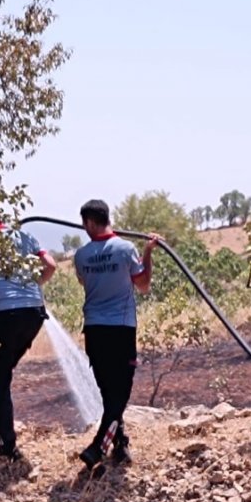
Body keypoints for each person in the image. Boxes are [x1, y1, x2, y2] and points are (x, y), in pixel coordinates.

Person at [73, 199, 159, 468]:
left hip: (94, 330)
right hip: (121, 329)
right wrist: (147, 252)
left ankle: (120, 444)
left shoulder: (81, 255)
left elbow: (84, 281)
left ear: (89, 222)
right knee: (119, 394)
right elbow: (143, 284)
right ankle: (98, 447)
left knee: (109, 392)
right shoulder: (125, 249)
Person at [0, 218, 57, 459]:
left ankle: (5, 444)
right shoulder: (25, 237)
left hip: (4, 316)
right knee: (3, 371)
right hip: (34, 313)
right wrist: (31, 286)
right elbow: (50, 265)